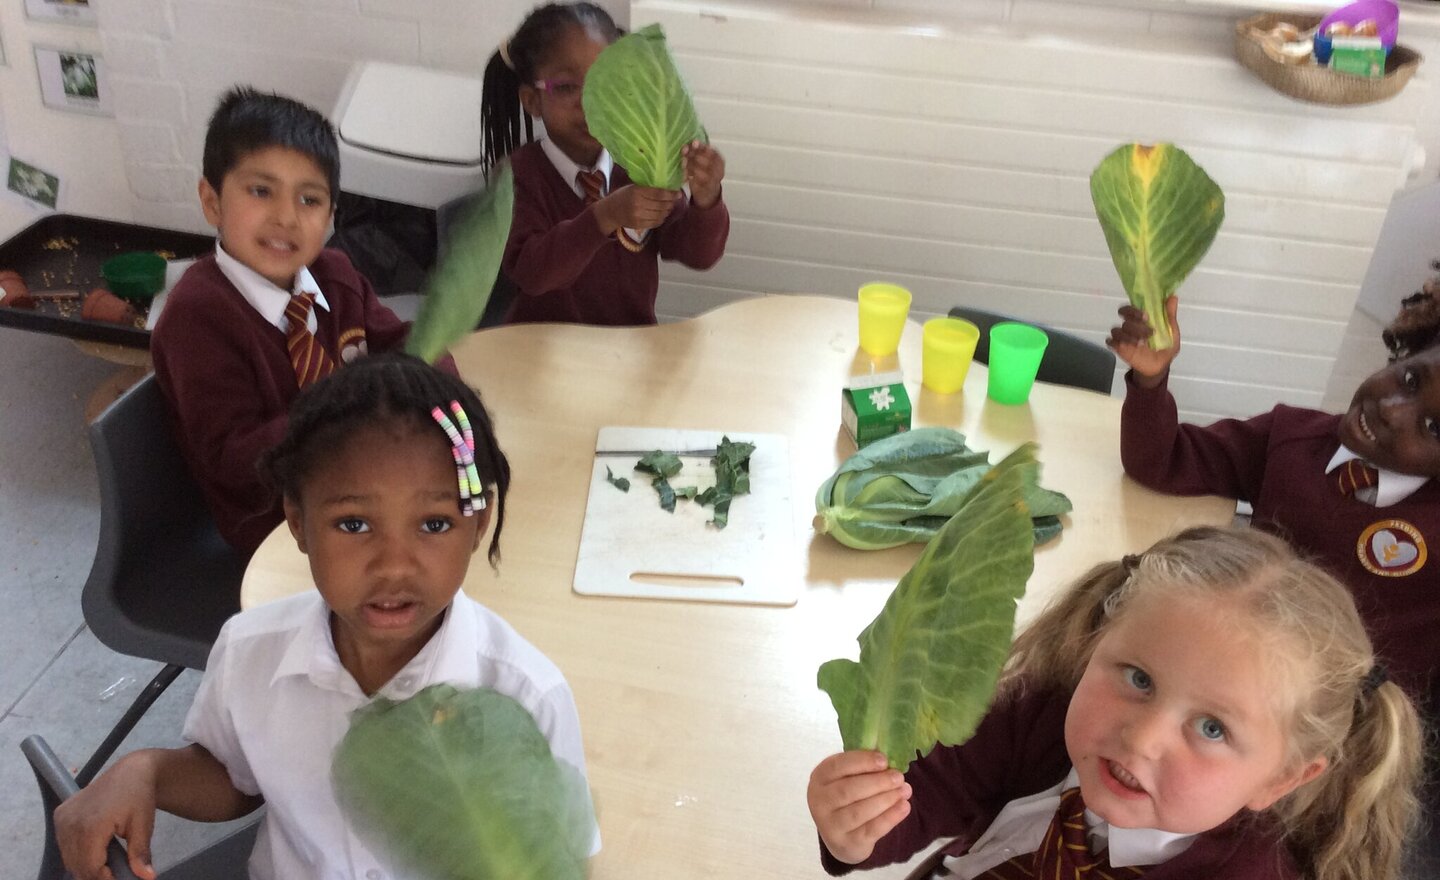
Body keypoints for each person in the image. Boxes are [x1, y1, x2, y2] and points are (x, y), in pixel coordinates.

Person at [54, 354, 598, 880]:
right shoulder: (250, 650)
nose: (393, 566)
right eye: (354, 525)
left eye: (433, 525)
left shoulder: (528, 695)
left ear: (477, 526)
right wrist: (146, 771)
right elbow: (234, 777)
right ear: (297, 521)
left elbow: (559, 858)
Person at [808, 527, 1422, 880]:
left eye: (1211, 728)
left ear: (1282, 779)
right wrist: (855, 827)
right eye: (1138, 679)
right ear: (1098, 639)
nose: (1141, 738)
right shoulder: (1043, 715)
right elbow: (928, 792)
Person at [151, 86, 450, 556]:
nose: (287, 217)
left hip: (366, 487)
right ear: (212, 201)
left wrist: (432, 375)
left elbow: (410, 347)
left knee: (475, 509)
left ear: (332, 214)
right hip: (274, 528)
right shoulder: (197, 317)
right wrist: (348, 402)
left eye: (310, 200)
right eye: (261, 191)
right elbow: (235, 463)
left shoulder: (335, 275)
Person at [1108, 291, 1440, 713]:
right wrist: (1150, 382)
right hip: (1225, 667)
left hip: (1344, 722)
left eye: (1434, 428)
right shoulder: (1290, 437)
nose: (1393, 411)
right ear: (1405, 353)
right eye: (1411, 380)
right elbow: (1162, 462)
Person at [481, 2, 730, 326]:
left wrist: (706, 198)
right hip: (542, 351)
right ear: (532, 100)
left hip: (628, 350)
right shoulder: (517, 176)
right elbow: (531, 273)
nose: (589, 104)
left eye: (608, 86)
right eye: (568, 87)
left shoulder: (640, 164)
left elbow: (698, 255)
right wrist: (605, 216)